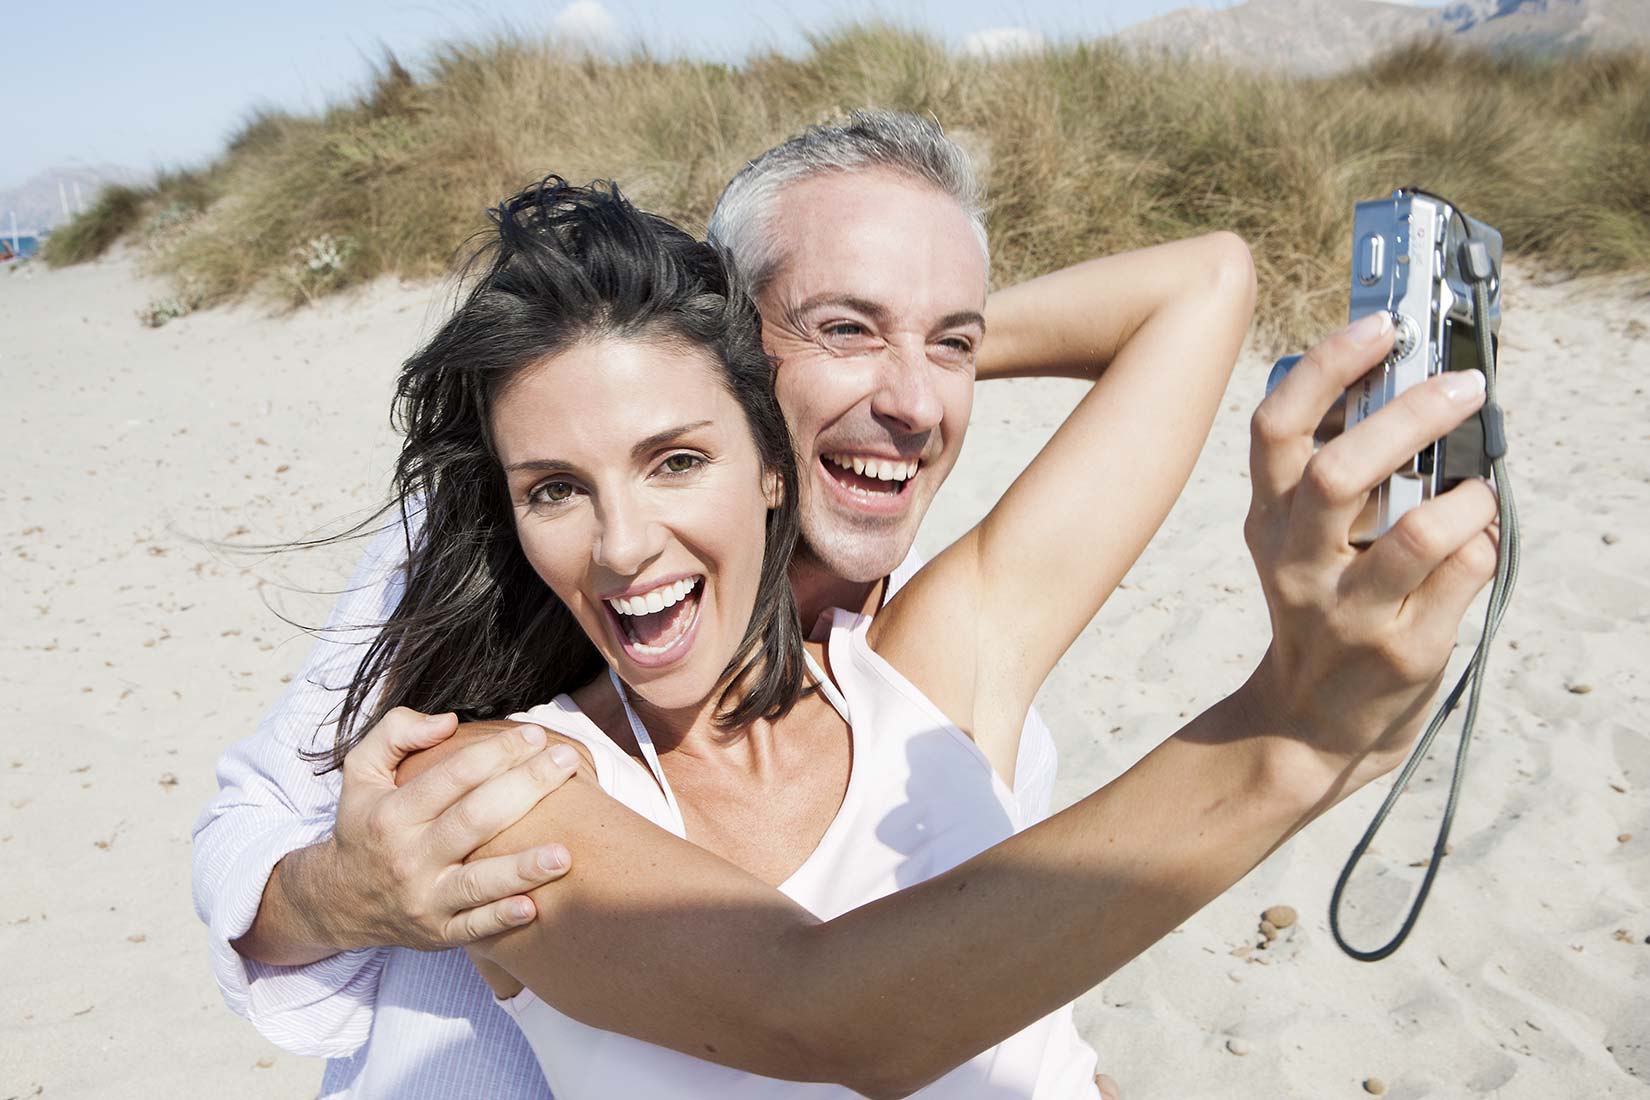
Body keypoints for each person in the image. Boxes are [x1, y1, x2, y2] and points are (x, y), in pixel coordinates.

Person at [194, 113, 1497, 1099]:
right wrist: (1291, 736)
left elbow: (1205, 279)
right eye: (554, 490)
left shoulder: (926, 658)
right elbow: (822, 1009)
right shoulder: (503, 790)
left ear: (760, 449)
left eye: (677, 457)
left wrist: (864, 345)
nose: (623, 540)